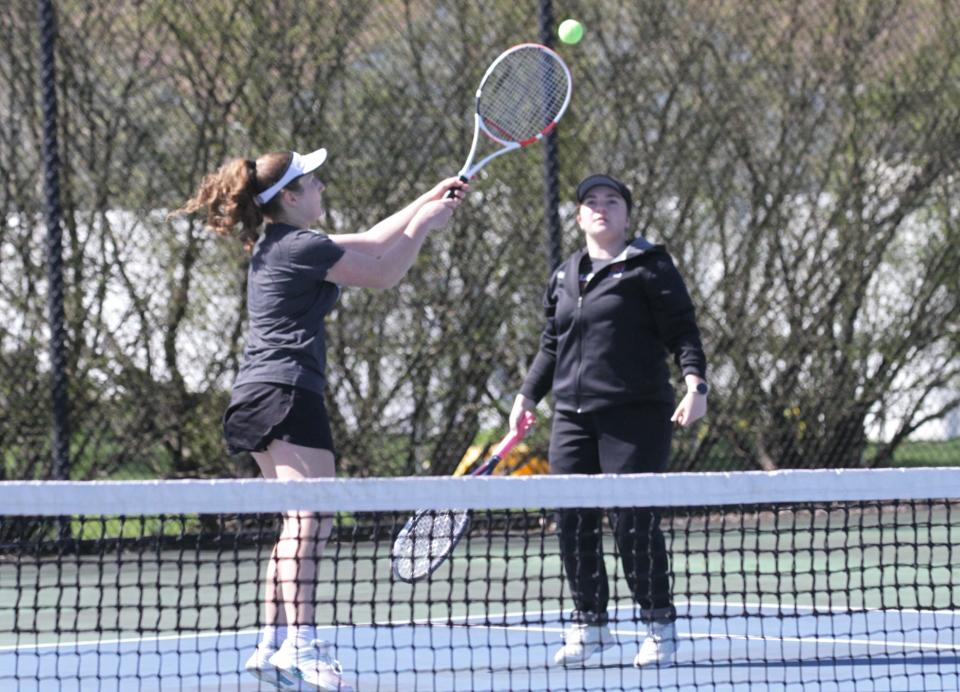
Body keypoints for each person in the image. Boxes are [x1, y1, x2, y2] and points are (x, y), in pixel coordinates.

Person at [173, 148, 466, 691]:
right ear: (290, 196)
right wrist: (426, 224)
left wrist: (426, 199)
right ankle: (302, 644)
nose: (322, 187)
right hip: (286, 392)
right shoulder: (299, 246)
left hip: (259, 395)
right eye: (313, 182)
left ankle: (271, 642)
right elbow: (384, 273)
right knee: (312, 518)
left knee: (300, 520)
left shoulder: (282, 242)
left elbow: (377, 238)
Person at [509, 174, 707, 669]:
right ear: (578, 216)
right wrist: (527, 395)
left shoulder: (650, 266)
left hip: (636, 416)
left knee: (631, 521)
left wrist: (696, 385)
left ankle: (659, 626)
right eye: (590, 202)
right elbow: (552, 345)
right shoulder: (564, 274)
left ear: (627, 213)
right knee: (571, 520)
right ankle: (591, 626)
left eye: (611, 201)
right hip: (572, 420)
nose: (600, 208)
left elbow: (682, 329)